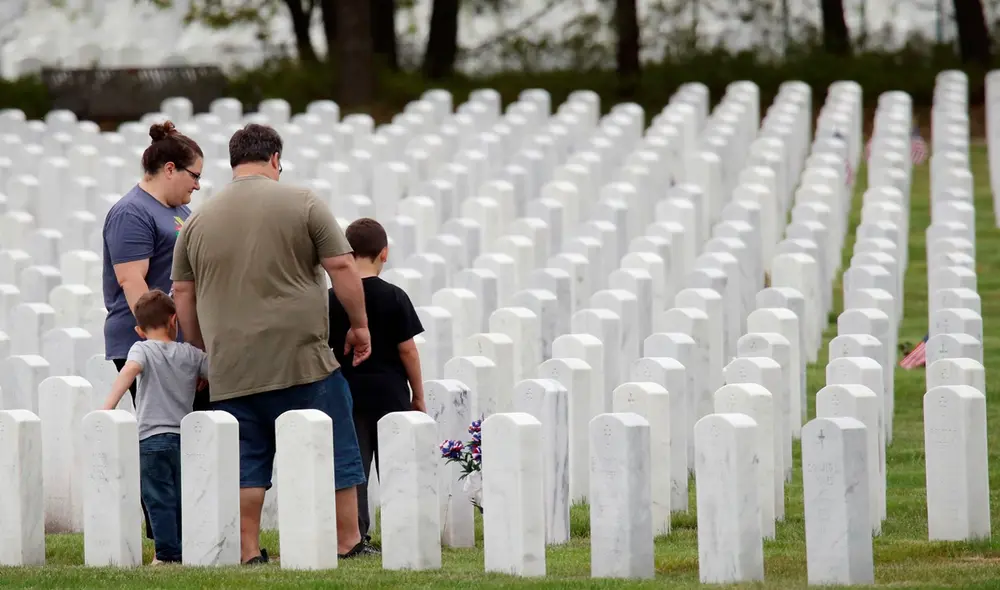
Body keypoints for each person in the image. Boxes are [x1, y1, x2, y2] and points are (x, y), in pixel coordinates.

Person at [171, 123, 375, 564]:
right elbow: (341, 265)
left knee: (247, 461)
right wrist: (359, 325)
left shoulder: (197, 221)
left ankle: (247, 550)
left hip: (232, 366)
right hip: (302, 358)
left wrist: (205, 351)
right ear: (276, 160)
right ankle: (347, 539)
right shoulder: (303, 202)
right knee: (337, 444)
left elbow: (183, 295)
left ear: (233, 162)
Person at [101, 120, 207, 541]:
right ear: (169, 168)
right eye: (194, 175)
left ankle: (189, 529)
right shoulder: (131, 212)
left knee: (190, 439)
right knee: (160, 439)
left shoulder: (179, 212)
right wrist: (160, 346)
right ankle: (165, 534)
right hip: (146, 345)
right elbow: (133, 285)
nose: (197, 186)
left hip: (179, 345)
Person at [327, 218, 426, 543]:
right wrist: (418, 396)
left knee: (355, 469)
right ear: (384, 253)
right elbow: (408, 350)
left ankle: (357, 532)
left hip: (348, 396)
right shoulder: (394, 296)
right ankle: (402, 533)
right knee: (395, 464)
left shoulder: (332, 298)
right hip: (390, 395)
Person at [100, 289, 208, 565]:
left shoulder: (142, 348)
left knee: (158, 498)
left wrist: (106, 408)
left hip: (150, 438)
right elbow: (217, 372)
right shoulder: (191, 355)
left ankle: (167, 555)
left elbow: (130, 371)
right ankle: (186, 549)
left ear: (139, 329)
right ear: (175, 320)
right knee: (184, 496)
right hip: (184, 438)